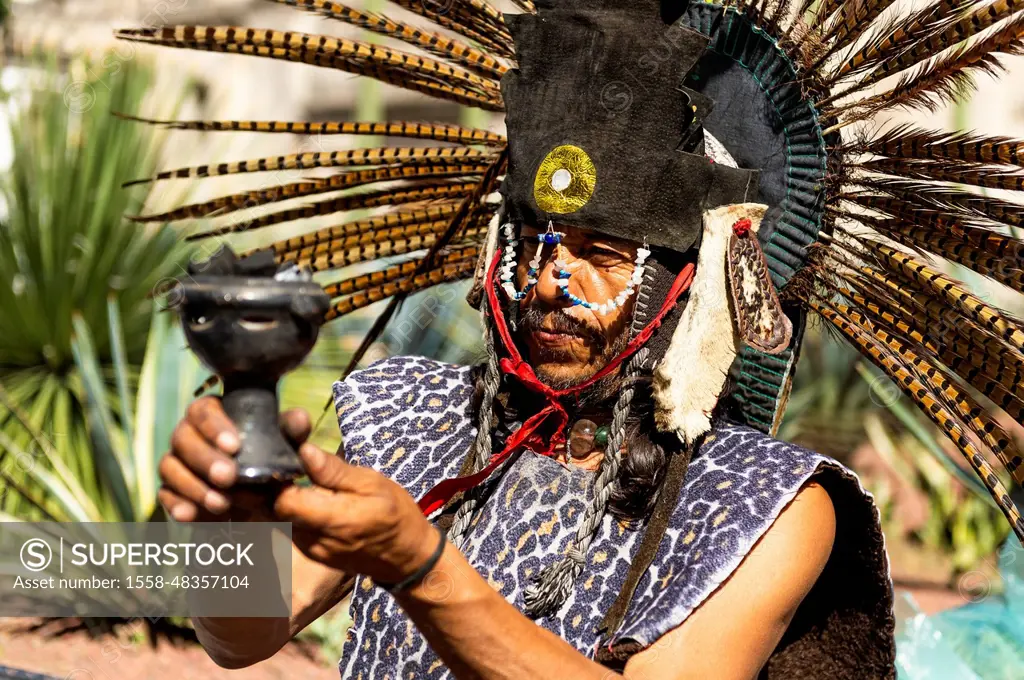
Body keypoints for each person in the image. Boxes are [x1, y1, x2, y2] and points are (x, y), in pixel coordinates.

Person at [124, 0, 1024, 678]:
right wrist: (223, 532)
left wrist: (422, 565)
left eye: (600, 254)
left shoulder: (774, 509)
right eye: (536, 245)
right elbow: (241, 635)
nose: (553, 282)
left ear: (687, 280)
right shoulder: (415, 426)